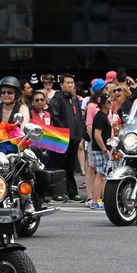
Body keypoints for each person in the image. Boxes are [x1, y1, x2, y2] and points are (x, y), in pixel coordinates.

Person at [48, 74, 85, 202]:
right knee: (58, 167)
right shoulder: (56, 99)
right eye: (68, 83)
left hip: (74, 139)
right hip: (61, 139)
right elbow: (56, 118)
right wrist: (65, 134)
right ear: (61, 84)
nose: (71, 85)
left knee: (70, 168)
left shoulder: (74, 99)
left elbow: (80, 117)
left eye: (72, 83)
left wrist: (80, 132)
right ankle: (56, 193)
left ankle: (72, 193)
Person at [88, 93, 113, 211]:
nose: (111, 103)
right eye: (108, 101)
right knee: (100, 174)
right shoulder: (101, 117)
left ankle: (97, 199)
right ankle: (96, 200)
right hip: (100, 150)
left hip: (101, 149)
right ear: (102, 104)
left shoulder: (102, 116)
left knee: (101, 174)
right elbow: (97, 135)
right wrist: (104, 149)